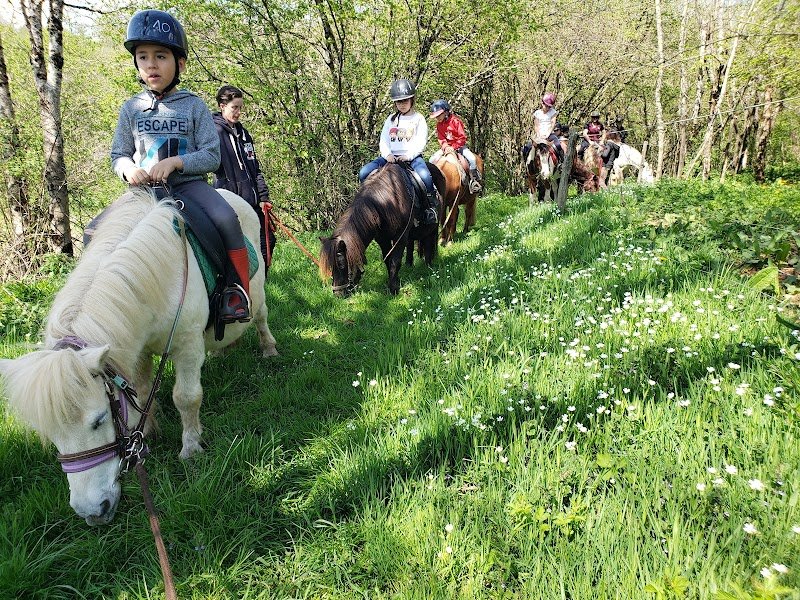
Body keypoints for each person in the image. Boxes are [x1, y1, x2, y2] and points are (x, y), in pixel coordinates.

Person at [111, 9, 251, 323]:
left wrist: (177, 162)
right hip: (144, 193)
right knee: (96, 230)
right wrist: (128, 170)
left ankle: (236, 292)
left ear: (180, 64)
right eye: (143, 57)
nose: (151, 64)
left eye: (160, 56)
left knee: (227, 218)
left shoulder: (194, 106)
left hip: (190, 187)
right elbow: (118, 154)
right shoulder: (131, 109)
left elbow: (211, 157)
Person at [212, 85, 275, 270]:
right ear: (222, 106)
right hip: (229, 202)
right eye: (235, 107)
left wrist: (263, 197)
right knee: (238, 248)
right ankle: (238, 288)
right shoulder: (213, 133)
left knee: (268, 241)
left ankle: (259, 285)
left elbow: (254, 168)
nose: (239, 112)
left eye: (240, 108)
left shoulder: (244, 134)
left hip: (253, 201)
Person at [359, 79, 438, 225]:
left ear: (412, 100)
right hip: (389, 157)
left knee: (426, 177)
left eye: (405, 100)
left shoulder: (419, 119)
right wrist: (387, 154)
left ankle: (431, 208)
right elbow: (383, 139)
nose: (401, 104)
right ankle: (368, 205)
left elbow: (421, 141)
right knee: (363, 173)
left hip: (411, 158)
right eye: (398, 102)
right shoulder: (390, 119)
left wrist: (409, 155)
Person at [428, 99, 482, 193]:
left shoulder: (456, 122)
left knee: (472, 159)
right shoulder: (439, 125)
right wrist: (445, 147)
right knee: (431, 160)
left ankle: (474, 182)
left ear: (446, 112)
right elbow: (441, 138)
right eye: (436, 116)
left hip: (459, 147)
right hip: (446, 148)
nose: (437, 118)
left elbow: (462, 137)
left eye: (439, 115)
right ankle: (432, 184)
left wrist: (453, 147)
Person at [532, 92, 565, 164]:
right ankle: (529, 165)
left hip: (549, 134)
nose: (547, 108)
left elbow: (553, 124)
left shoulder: (553, 112)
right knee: (528, 147)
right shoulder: (537, 113)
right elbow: (536, 125)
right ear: (542, 103)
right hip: (539, 135)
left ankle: (562, 163)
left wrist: (547, 134)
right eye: (546, 106)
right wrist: (539, 135)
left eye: (549, 107)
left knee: (558, 145)